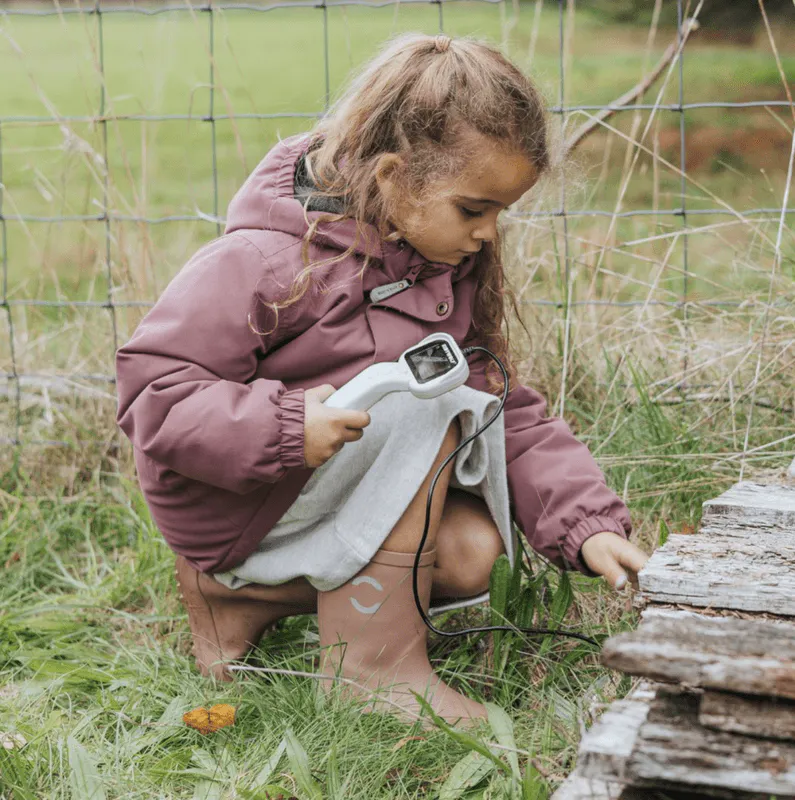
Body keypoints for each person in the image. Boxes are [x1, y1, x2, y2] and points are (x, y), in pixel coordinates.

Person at [115, 32, 648, 727]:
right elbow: (155, 394)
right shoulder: (263, 261)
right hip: (240, 499)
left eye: (500, 213)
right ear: (394, 177)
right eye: (473, 208)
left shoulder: (437, 270)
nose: (488, 233)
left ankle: (238, 601)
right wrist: (283, 425)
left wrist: (584, 524)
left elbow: (503, 408)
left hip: (314, 491)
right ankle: (370, 671)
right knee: (422, 405)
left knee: (470, 557)